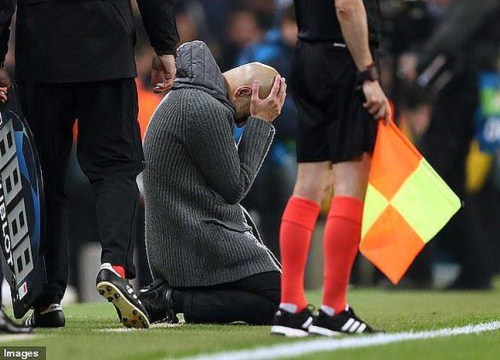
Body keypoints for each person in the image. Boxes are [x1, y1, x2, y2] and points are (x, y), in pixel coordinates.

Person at [0, 0, 179, 329]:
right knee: (116, 167)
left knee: (43, 177)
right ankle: (115, 266)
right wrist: (164, 43)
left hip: (42, 55)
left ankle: (46, 298)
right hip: (106, 50)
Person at [138, 41, 285, 325]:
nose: (241, 123)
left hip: (184, 237)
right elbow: (235, 188)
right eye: (246, 115)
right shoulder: (205, 107)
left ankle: (172, 297)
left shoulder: (191, 95)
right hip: (193, 242)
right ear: (244, 93)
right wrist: (261, 123)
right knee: (280, 301)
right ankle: (170, 298)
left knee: (277, 294)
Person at [271, 0, 390, 337]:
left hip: (308, 52)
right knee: (350, 181)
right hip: (345, 59)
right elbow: (347, 6)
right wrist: (368, 74)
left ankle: (291, 307)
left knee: (308, 183)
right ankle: (333, 310)